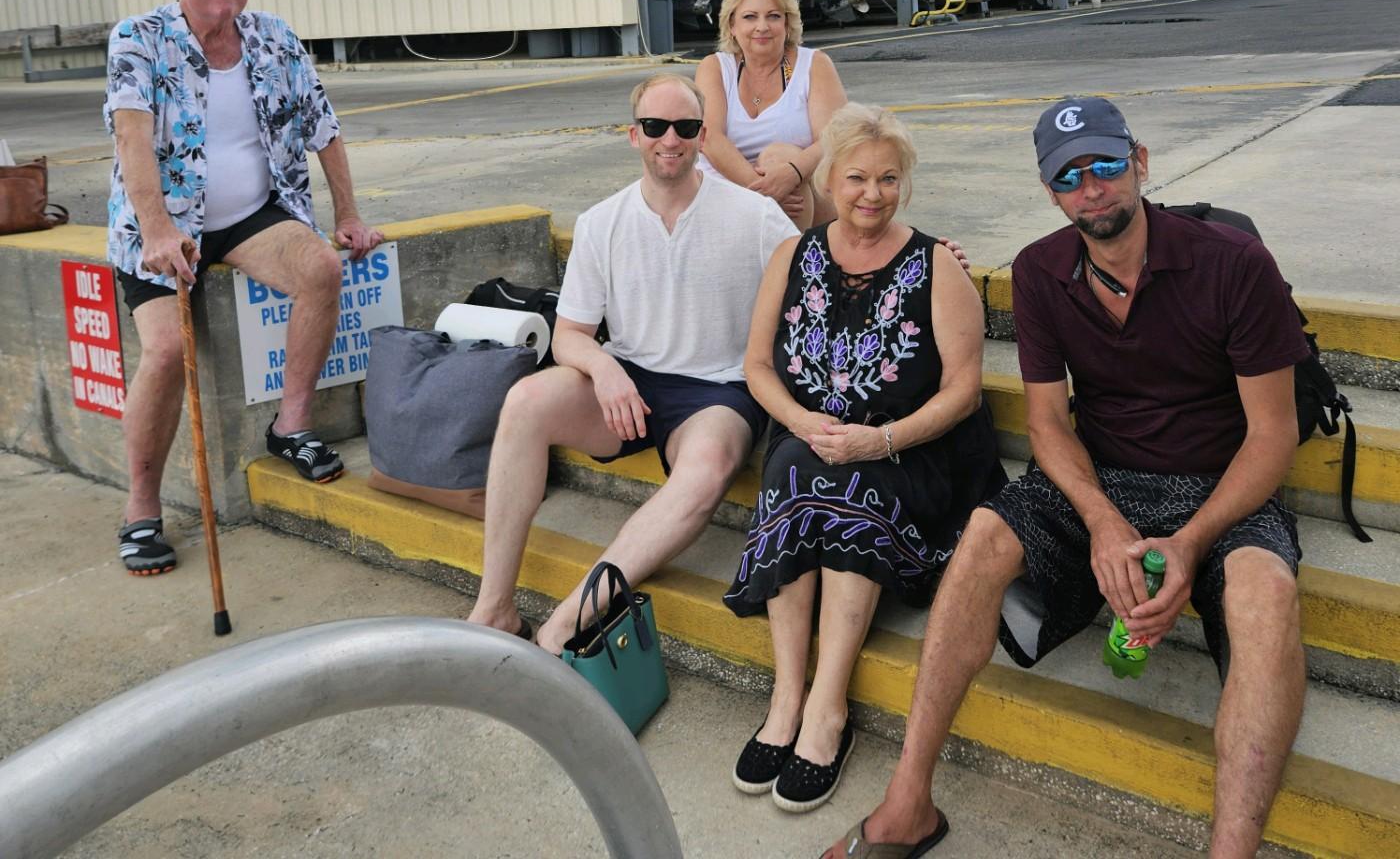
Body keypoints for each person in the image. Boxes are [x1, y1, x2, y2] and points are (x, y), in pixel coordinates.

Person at [821, 97, 1309, 859]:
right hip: (1100, 475)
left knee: (1266, 595)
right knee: (984, 534)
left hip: (1221, 484)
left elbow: (1274, 433)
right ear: (1050, 190)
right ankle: (908, 801)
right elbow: (1048, 423)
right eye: (1070, 175)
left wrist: (1190, 539)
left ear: (1139, 163)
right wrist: (1105, 520)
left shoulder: (1231, 263)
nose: (1093, 186)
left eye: (1107, 165)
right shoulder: (1040, 271)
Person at [725, 104, 1006, 814]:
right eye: (855, 178)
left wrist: (877, 439)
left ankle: (828, 708)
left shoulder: (936, 263)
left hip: (911, 448)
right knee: (793, 469)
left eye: (887, 179)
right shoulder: (795, 254)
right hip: (814, 432)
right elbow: (758, 365)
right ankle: (785, 696)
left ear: (904, 184)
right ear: (829, 178)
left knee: (854, 485)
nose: (871, 194)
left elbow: (964, 392)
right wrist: (801, 419)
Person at [467, 73, 798, 654]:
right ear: (633, 135)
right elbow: (569, 334)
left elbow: (825, 274)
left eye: (686, 127)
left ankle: (565, 623)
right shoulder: (602, 221)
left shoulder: (755, 216)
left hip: (717, 390)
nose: (669, 139)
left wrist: (926, 255)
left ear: (702, 136)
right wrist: (604, 367)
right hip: (629, 380)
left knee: (709, 464)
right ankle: (493, 607)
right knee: (525, 401)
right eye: (655, 126)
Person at [105, 0, 382, 575]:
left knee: (319, 268)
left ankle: (291, 426)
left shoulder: (273, 36)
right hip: (163, 225)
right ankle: (141, 505)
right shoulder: (138, 39)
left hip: (252, 216)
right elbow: (131, 137)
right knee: (168, 350)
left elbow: (323, 125)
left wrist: (347, 212)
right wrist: (156, 228)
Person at [695, 0, 847, 228]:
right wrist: (764, 190)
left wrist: (790, 173)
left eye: (773, 16)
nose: (762, 27)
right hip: (728, 190)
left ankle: (790, 264)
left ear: (787, 23)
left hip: (800, 192)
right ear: (731, 24)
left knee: (779, 157)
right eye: (750, 17)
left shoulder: (814, 66)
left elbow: (834, 139)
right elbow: (710, 139)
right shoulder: (714, 68)